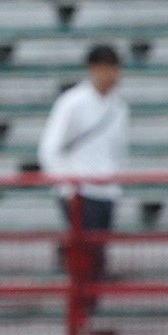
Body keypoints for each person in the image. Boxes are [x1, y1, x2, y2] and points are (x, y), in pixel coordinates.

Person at [37, 43, 128, 281]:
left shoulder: (118, 106)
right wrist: (66, 187)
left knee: (98, 254)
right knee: (84, 253)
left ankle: (90, 304)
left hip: (107, 191)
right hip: (79, 191)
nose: (113, 75)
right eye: (108, 68)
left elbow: (117, 150)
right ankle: (80, 306)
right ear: (94, 69)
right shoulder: (72, 102)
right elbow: (50, 147)